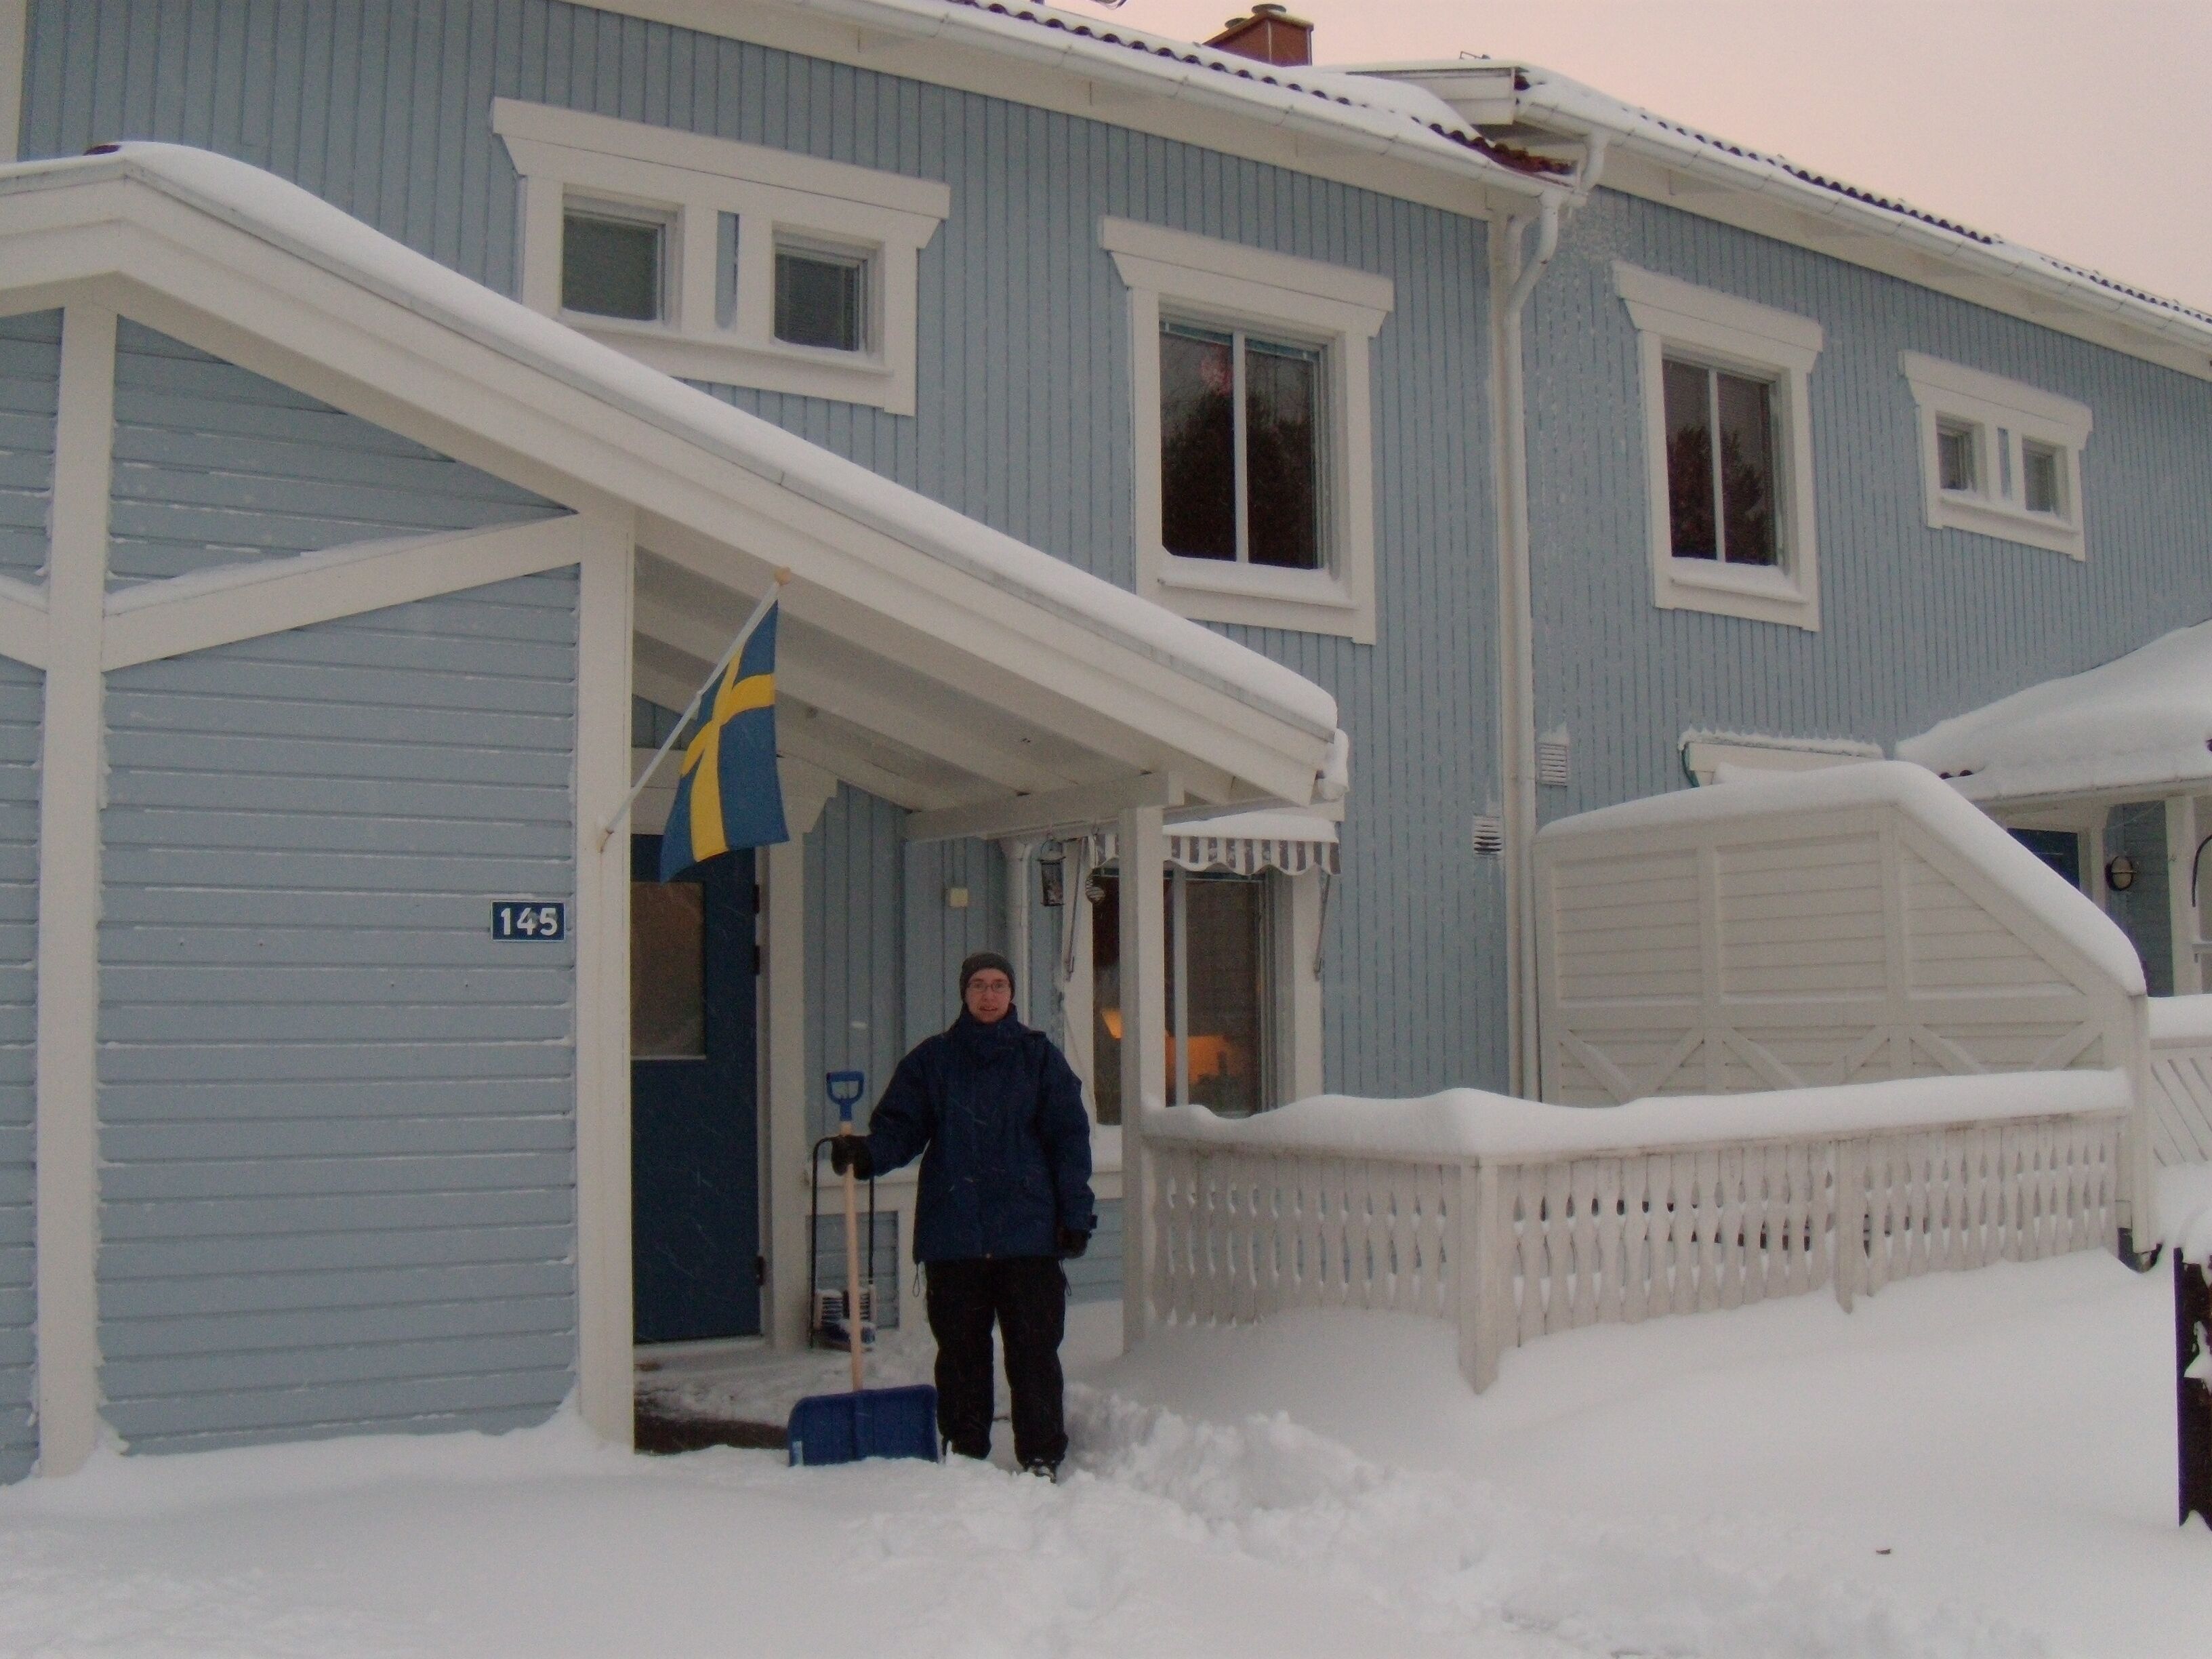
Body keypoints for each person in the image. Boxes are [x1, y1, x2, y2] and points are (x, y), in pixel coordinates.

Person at [830, 950, 1095, 1477]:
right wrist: (867, 1154)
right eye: (979, 985)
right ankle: (966, 1447)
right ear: (964, 993)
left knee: (1034, 1353)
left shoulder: (1040, 1061)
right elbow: (901, 1129)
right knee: (960, 1353)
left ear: (1012, 994)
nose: (989, 995)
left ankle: (1041, 1452)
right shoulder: (934, 1061)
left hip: (1028, 1236)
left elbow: (1069, 1142)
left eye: (998, 985)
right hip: (955, 1234)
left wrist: (1076, 1215)